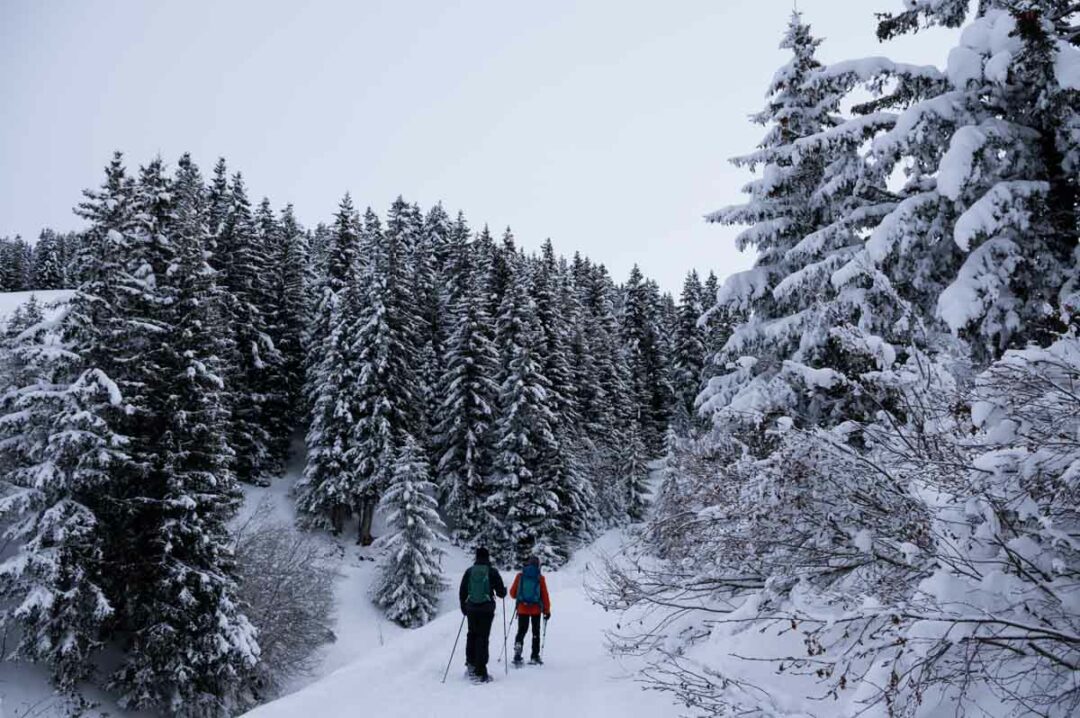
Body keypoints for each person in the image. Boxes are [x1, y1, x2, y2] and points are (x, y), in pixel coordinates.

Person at [458, 546, 507, 682]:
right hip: (486, 609)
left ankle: (471, 665)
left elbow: (462, 591)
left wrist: (464, 607)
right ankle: (480, 672)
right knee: (482, 638)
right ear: (487, 557)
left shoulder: (469, 572)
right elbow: (501, 593)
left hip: (472, 608)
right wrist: (504, 590)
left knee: (471, 635)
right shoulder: (492, 572)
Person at [509, 555, 551, 665]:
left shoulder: (520, 576)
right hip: (536, 610)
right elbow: (545, 595)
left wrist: (520, 598)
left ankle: (517, 653)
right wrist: (547, 611)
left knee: (521, 631)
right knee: (535, 632)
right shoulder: (540, 578)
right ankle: (534, 656)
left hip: (522, 609)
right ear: (538, 565)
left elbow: (513, 594)